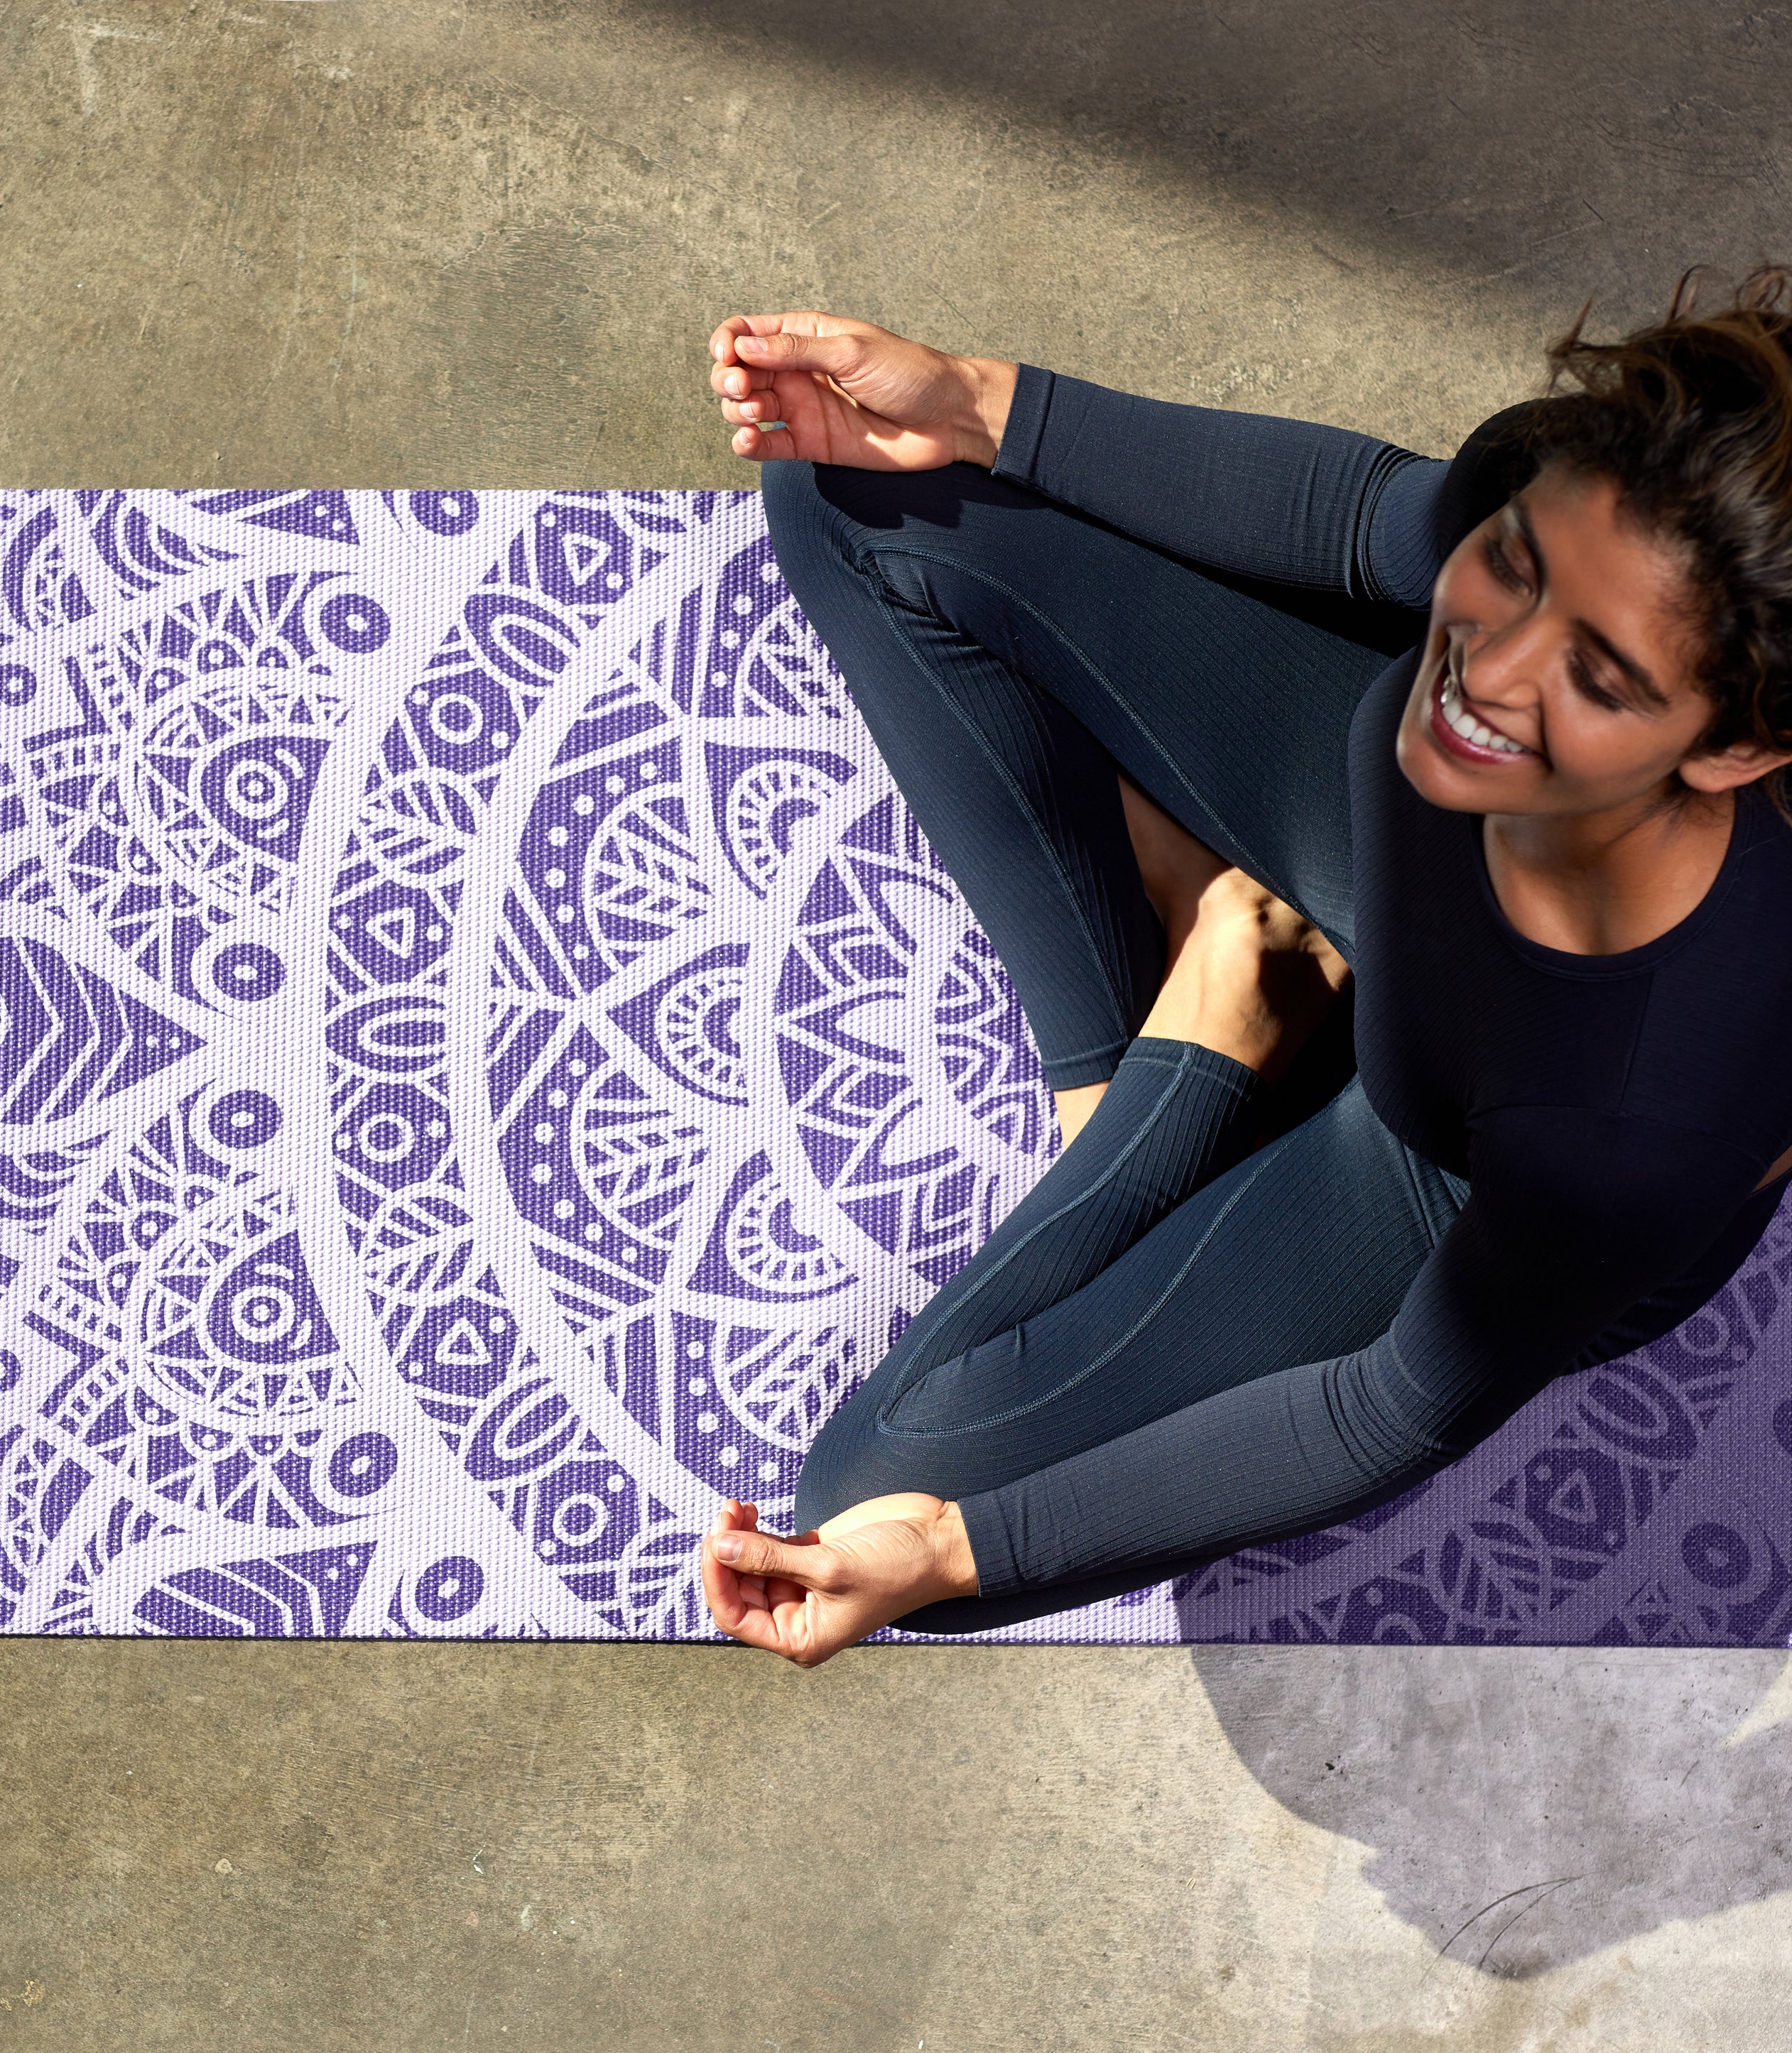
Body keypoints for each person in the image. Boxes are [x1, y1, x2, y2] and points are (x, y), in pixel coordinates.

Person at [694, 268, 1792, 1666]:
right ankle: (1159, 1015)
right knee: (854, 480)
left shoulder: (1653, 1113)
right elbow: (1362, 522)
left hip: (1451, 1156)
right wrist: (974, 403)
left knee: (861, 1509)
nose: (1483, 670)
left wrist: (955, 1551)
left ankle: (1217, 1031)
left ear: (1739, 751)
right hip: (1391, 851)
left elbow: (1388, 1408)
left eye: (1600, 674)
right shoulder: (1613, 499)